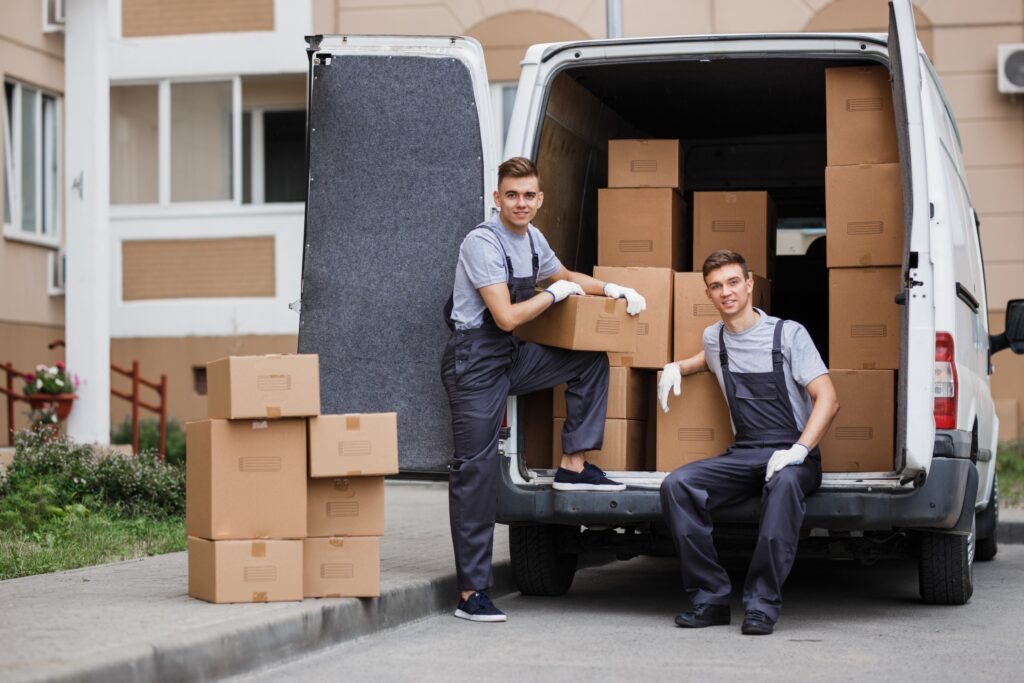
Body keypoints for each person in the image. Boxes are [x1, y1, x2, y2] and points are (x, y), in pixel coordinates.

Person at [441, 156, 647, 622]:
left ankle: (572, 464)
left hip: (510, 355)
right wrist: (553, 296)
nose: (521, 202)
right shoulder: (483, 242)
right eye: (511, 194)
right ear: (498, 199)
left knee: (590, 360)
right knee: (474, 473)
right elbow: (506, 317)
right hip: (474, 361)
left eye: (529, 194)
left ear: (540, 199)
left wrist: (613, 289)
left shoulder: (533, 238)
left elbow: (566, 277)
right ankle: (471, 593)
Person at [657, 249, 839, 635]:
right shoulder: (714, 338)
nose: (726, 292)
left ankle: (761, 604)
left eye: (733, 282)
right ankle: (710, 599)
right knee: (678, 485)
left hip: (793, 450)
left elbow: (828, 397)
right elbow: (707, 358)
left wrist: (799, 451)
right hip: (746, 451)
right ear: (708, 295)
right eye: (716, 286)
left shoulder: (788, 334)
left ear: (750, 283)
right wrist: (677, 367)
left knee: (785, 485)